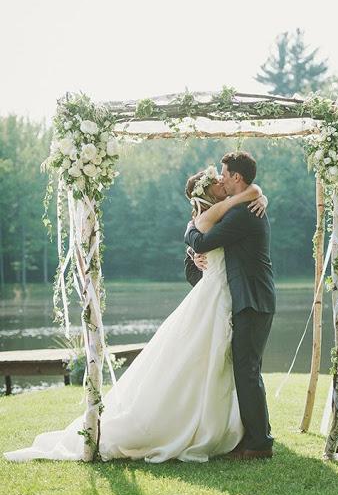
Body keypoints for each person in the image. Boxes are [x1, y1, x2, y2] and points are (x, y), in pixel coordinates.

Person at [4, 165, 265, 464]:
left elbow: (244, 204)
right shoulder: (209, 217)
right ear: (206, 193)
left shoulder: (231, 211)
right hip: (213, 297)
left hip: (226, 297)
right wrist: (196, 249)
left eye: (224, 178)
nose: (222, 182)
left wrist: (258, 195)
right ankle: (194, 427)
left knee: (222, 364)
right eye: (217, 182)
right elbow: (199, 241)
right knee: (200, 361)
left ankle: (234, 429)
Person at [185, 151, 276, 460]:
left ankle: (259, 444)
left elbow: (200, 241)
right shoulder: (241, 207)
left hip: (252, 299)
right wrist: (256, 192)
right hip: (249, 299)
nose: (221, 178)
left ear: (237, 177)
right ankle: (253, 436)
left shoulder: (243, 213)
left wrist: (189, 229)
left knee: (247, 370)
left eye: (224, 173)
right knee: (248, 369)